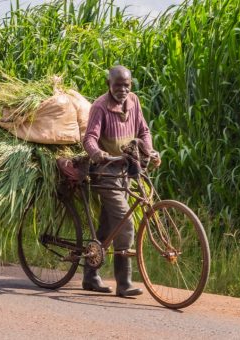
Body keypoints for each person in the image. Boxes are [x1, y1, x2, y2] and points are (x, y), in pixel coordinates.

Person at [82, 65, 160, 297]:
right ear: (109, 84)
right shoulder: (100, 107)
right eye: (118, 85)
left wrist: (150, 151)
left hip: (126, 169)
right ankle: (124, 282)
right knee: (125, 223)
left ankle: (89, 276)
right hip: (105, 173)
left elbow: (144, 131)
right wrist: (98, 154)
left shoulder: (134, 102)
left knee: (109, 225)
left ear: (131, 85)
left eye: (126, 85)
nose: (122, 90)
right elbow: (89, 139)